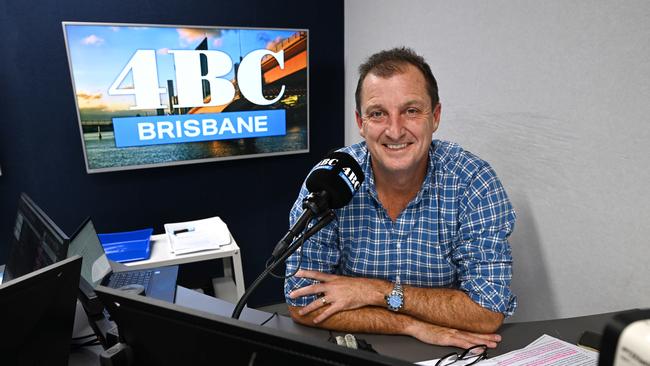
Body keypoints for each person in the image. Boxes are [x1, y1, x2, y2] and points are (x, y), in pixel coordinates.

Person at [284, 47, 516, 349]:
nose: (394, 131)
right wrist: (410, 325)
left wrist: (373, 292)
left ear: (435, 117)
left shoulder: (473, 182)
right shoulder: (331, 180)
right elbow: (303, 302)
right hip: (359, 348)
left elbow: (486, 312)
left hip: (444, 352)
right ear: (361, 122)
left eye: (411, 111)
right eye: (378, 113)